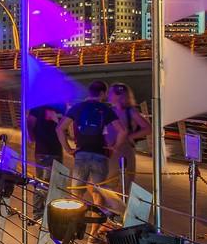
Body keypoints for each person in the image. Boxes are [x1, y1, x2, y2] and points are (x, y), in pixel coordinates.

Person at [61, 80, 126, 234]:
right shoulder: (105, 109)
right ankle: (94, 232)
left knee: (77, 192)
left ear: (89, 92)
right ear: (102, 93)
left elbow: (60, 128)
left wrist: (68, 148)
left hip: (81, 155)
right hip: (99, 155)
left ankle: (75, 227)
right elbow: (122, 131)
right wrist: (115, 147)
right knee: (98, 193)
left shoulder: (78, 107)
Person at [107, 83, 151, 196]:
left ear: (119, 96)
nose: (108, 95)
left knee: (123, 185)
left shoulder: (130, 111)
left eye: (111, 93)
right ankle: (110, 211)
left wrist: (130, 137)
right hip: (109, 151)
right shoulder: (109, 110)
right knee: (107, 185)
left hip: (124, 151)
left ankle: (120, 211)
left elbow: (148, 128)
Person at [26, 103, 66, 218]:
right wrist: (32, 138)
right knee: (42, 182)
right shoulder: (38, 107)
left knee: (55, 182)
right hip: (43, 151)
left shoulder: (61, 107)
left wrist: (56, 119)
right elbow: (30, 123)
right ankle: (38, 213)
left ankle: (52, 213)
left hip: (57, 150)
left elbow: (64, 127)